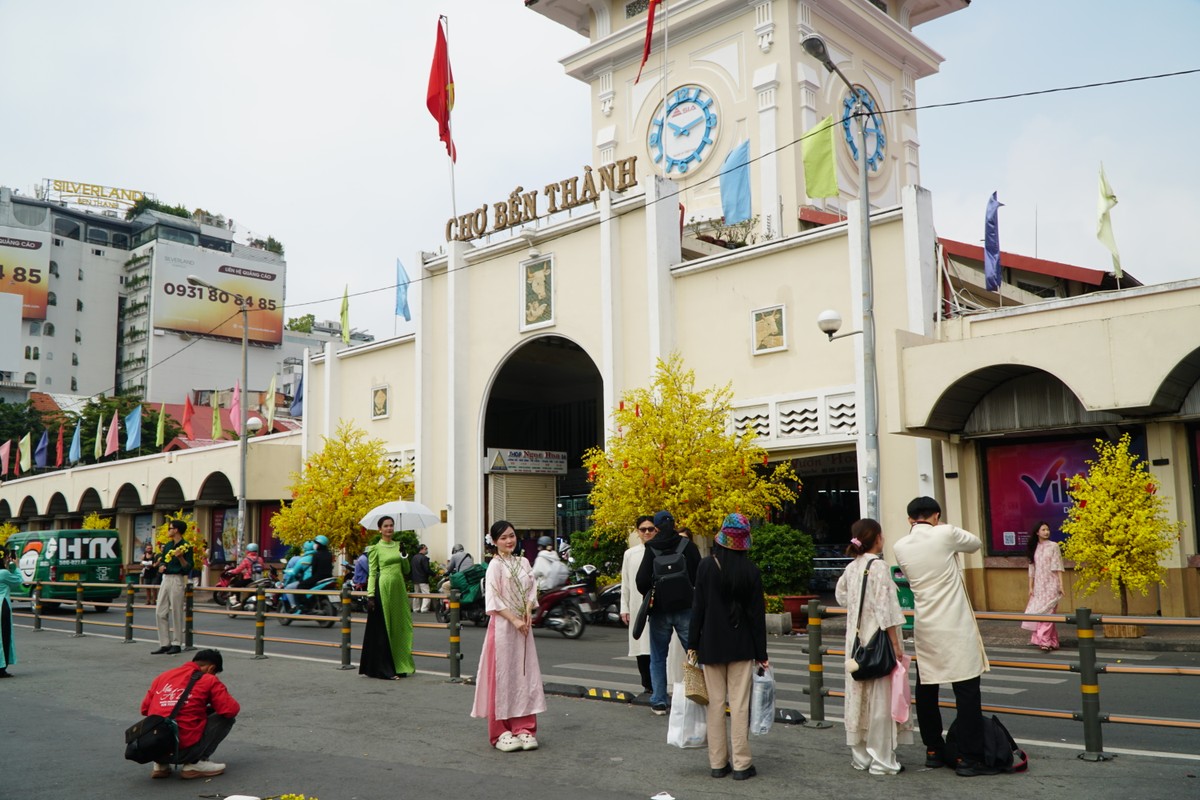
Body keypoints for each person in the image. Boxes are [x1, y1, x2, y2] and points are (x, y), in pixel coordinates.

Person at [892, 496, 995, 777]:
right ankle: (968, 758)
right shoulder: (945, 533)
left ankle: (934, 750)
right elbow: (974, 543)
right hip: (956, 625)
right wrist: (943, 528)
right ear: (936, 515)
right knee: (967, 692)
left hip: (926, 625)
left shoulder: (900, 545)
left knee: (927, 689)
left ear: (910, 519)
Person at [687, 513, 768, 781]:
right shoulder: (751, 571)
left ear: (721, 539)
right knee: (740, 705)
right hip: (742, 645)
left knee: (715, 705)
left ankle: (718, 763)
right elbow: (757, 617)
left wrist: (692, 644)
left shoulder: (706, 567)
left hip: (711, 644)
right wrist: (762, 654)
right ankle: (742, 764)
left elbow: (697, 608)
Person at [835, 519, 910, 775]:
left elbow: (841, 595)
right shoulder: (878, 566)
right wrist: (896, 644)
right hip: (876, 639)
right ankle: (882, 760)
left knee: (859, 697)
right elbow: (887, 609)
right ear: (877, 538)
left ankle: (861, 756)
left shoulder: (852, 567)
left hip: (855, 643)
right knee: (880, 700)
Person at [471, 520, 546, 752]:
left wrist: (527, 612)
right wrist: (514, 620)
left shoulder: (523, 562)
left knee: (524, 674)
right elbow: (493, 599)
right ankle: (500, 731)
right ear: (494, 542)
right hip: (503, 628)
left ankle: (524, 727)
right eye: (503, 538)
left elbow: (531, 590)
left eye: (511, 536)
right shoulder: (495, 565)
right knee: (502, 677)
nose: (509, 541)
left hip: (523, 628)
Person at [636, 509, 701, 715]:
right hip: (686, 608)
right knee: (695, 653)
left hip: (660, 611)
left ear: (655, 528)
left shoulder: (652, 548)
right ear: (674, 524)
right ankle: (701, 693)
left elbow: (641, 581)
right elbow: (700, 574)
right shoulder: (688, 546)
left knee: (657, 656)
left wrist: (654, 592)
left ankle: (659, 701)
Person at [139, 649, 240, 780]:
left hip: (154, 747)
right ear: (211, 668)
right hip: (183, 750)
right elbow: (231, 709)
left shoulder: (163, 676)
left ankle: (160, 764)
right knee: (226, 719)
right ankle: (195, 763)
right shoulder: (208, 679)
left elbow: (145, 709)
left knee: (162, 716)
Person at [359, 517, 415, 679]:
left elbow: (406, 570)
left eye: (391, 526)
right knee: (386, 627)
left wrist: (404, 556)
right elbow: (372, 573)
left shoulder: (399, 546)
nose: (389, 528)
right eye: (386, 526)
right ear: (380, 530)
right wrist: (370, 595)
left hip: (399, 590)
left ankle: (400, 665)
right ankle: (386, 668)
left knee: (401, 626)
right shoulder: (376, 548)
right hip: (384, 589)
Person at [621, 516, 657, 694]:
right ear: (638, 532)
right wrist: (624, 608)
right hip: (637, 607)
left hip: (658, 607)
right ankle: (647, 685)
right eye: (643, 529)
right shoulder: (630, 554)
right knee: (640, 646)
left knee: (657, 645)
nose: (647, 532)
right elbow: (625, 583)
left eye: (651, 529)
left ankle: (659, 683)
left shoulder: (662, 551)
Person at [1022, 521, 1064, 651]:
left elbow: (1058, 566)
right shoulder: (1034, 547)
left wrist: (1061, 585)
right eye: (1043, 530)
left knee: (1048, 613)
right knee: (1038, 612)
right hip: (1039, 586)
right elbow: (1032, 569)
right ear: (1037, 532)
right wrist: (1030, 587)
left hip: (1052, 584)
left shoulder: (1053, 546)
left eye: (1047, 529)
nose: (1046, 532)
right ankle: (1051, 641)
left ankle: (1045, 641)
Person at [152, 520, 193, 655]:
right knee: (160, 610)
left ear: (176, 530)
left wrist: (180, 557)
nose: (168, 530)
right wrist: (161, 566)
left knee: (176, 611)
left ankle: (176, 643)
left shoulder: (186, 546)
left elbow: (188, 568)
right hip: (166, 578)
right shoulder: (168, 545)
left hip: (177, 578)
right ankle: (164, 643)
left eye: (170, 528)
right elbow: (163, 560)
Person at [294, 534, 334, 612]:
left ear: (319, 544)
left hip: (318, 576)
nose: (314, 545)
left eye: (316, 543)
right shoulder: (329, 555)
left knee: (300, 586)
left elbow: (314, 569)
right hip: (328, 576)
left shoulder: (316, 555)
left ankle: (305, 606)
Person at [1, 550, 21, 678]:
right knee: (4, 636)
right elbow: (18, 580)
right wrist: (16, 566)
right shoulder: (3, 573)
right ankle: (1, 667)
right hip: (2, 606)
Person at [225, 543, 263, 608]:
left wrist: (230, 571)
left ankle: (237, 601)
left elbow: (238, 570)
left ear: (248, 551)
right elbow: (263, 568)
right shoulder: (260, 559)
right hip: (259, 579)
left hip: (248, 579)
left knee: (234, 585)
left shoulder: (247, 559)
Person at [282, 541, 314, 610]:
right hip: (316, 580)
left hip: (307, 580)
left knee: (288, 587)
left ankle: (294, 606)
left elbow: (294, 572)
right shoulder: (317, 557)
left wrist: (285, 571)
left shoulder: (304, 559)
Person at [411, 544, 432, 613]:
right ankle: (424, 609)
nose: (427, 550)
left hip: (415, 579)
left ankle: (415, 608)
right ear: (422, 549)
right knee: (426, 594)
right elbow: (427, 569)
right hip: (423, 579)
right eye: (426, 549)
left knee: (416, 594)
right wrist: (434, 574)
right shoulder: (424, 558)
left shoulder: (414, 557)